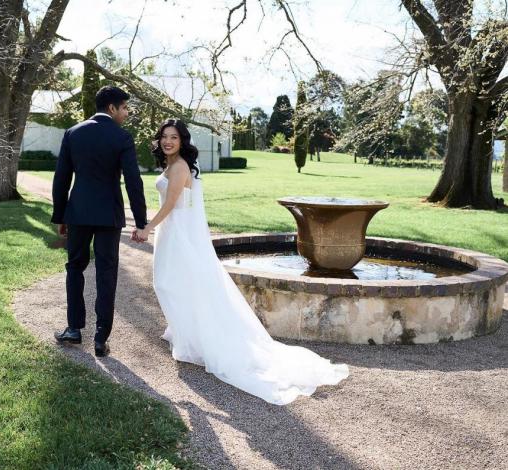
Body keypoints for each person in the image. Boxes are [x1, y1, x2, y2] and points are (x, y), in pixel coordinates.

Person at [134, 119, 349, 404]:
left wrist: (147, 228)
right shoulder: (173, 164)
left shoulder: (180, 166)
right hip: (174, 232)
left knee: (167, 283)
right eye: (164, 137)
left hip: (179, 235)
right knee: (176, 283)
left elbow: (171, 204)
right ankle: (183, 331)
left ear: (183, 141)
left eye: (173, 137)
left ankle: (194, 337)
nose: (168, 141)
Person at [51, 85, 147, 357]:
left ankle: (73, 328)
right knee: (106, 273)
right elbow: (133, 181)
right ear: (112, 108)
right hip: (109, 215)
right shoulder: (122, 137)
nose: (127, 113)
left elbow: (61, 178)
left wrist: (61, 215)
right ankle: (100, 338)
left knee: (75, 267)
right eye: (125, 107)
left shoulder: (73, 133)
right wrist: (140, 221)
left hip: (78, 212)